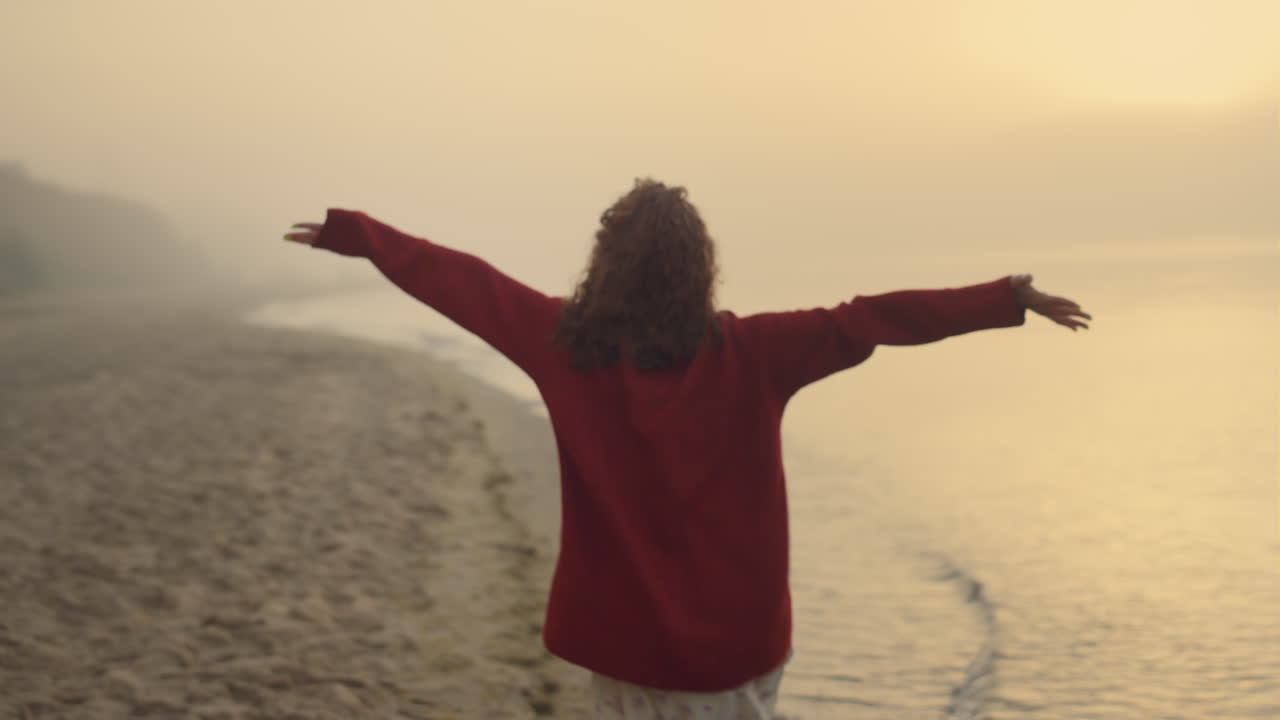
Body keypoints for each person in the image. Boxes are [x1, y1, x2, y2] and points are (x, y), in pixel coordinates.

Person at [284, 178, 1090, 719]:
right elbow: (868, 317)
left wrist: (361, 236)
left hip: (627, 643)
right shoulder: (755, 352)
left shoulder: (565, 345)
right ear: (696, 269)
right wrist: (1004, 298)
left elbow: (464, 282)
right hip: (740, 641)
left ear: (608, 264)